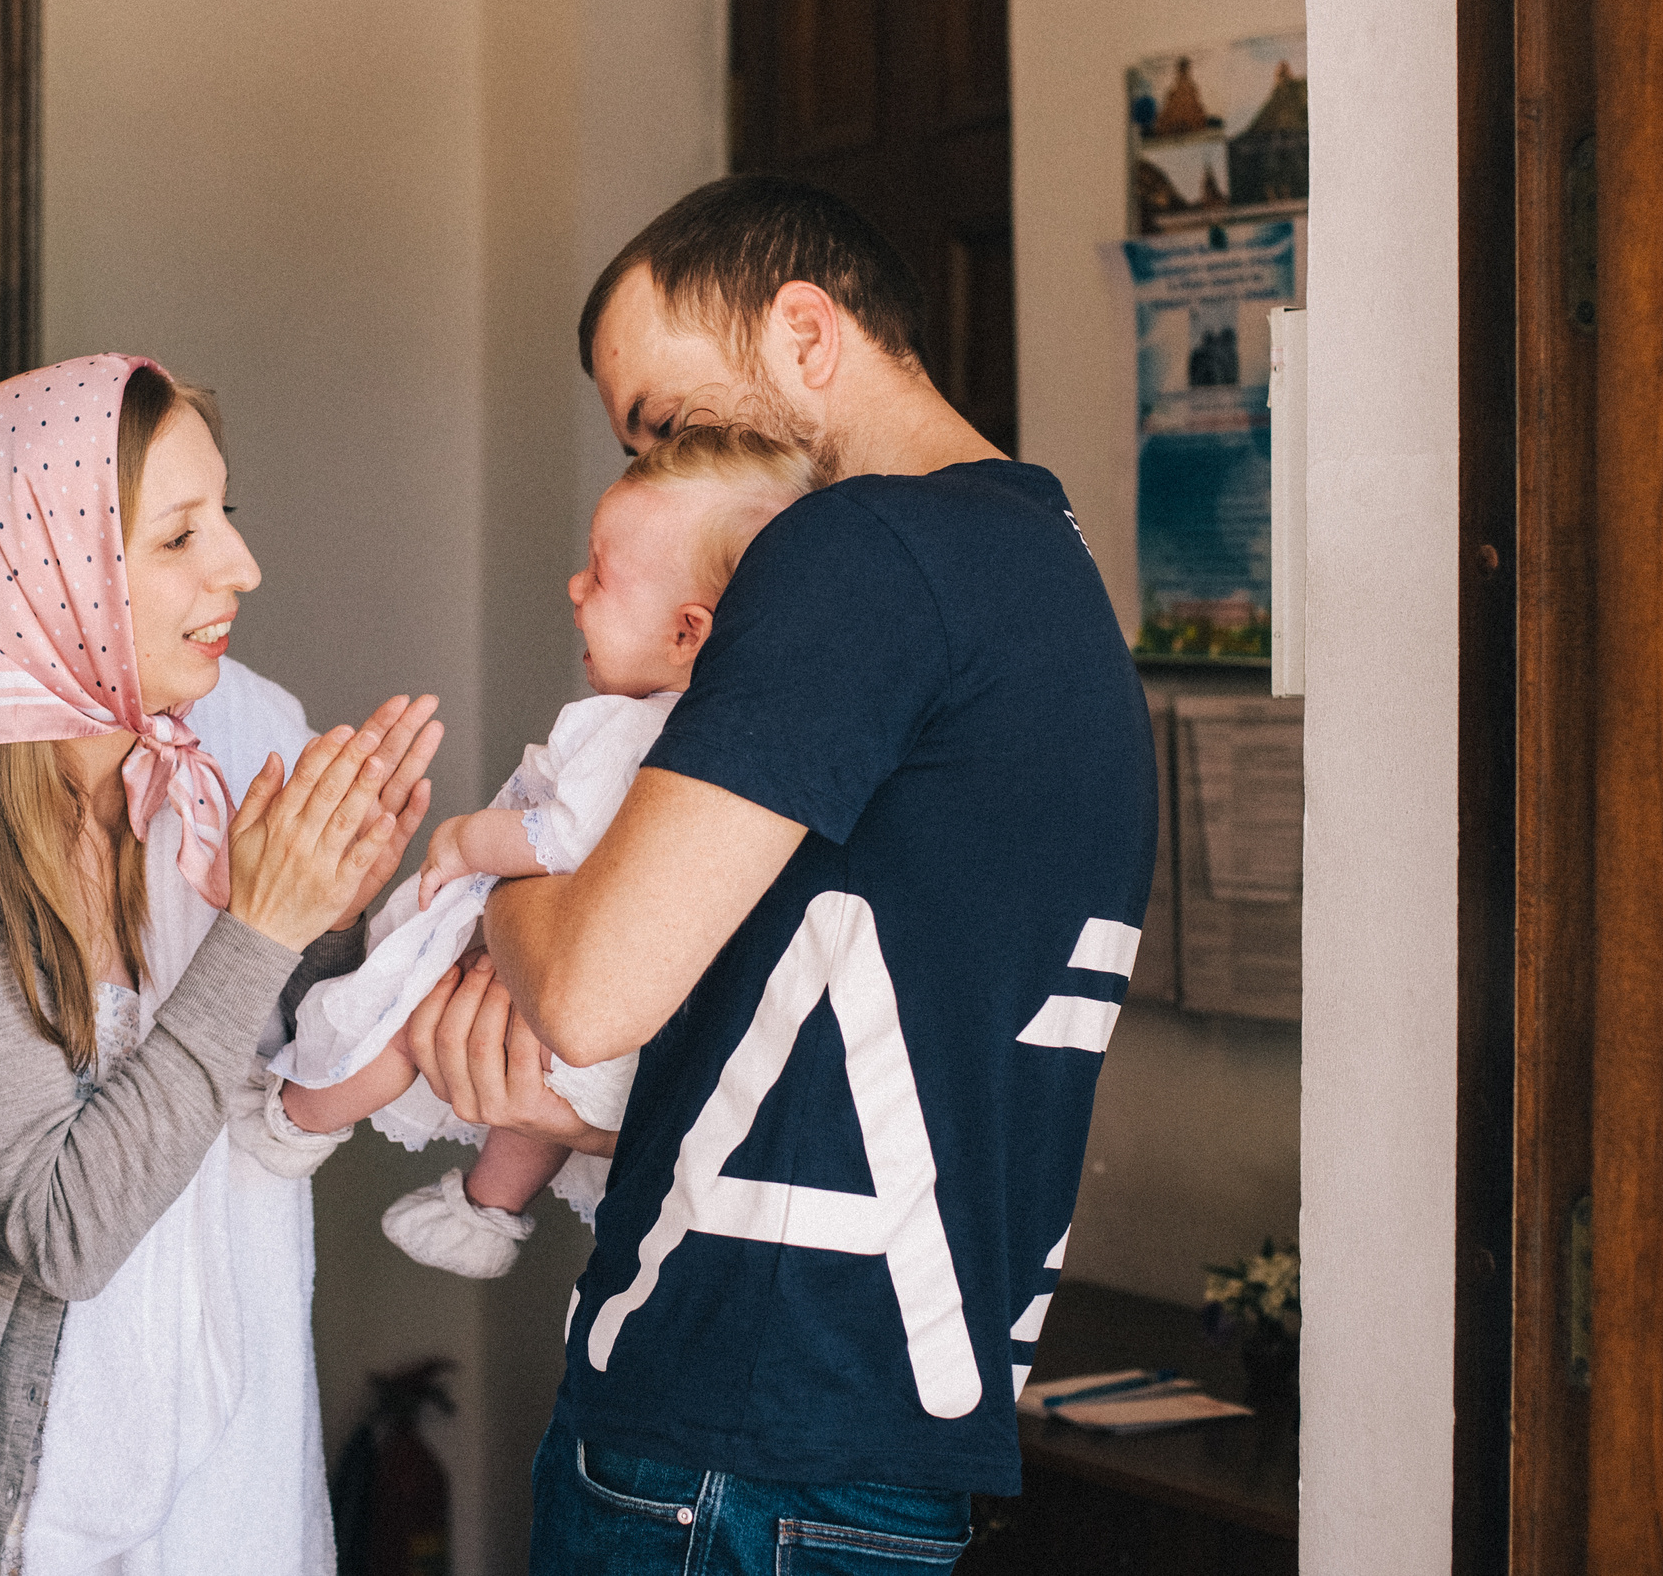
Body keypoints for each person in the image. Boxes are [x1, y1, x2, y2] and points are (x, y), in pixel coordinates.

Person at [409, 176, 1159, 1572]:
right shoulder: (1044, 575)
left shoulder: (859, 546)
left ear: (806, 330)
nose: (668, 475)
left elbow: (587, 984)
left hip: (724, 1453)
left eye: (671, 422)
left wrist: (495, 891)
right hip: (889, 1436)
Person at [0, 353, 449, 1576]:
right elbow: (67, 1226)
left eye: (228, 517)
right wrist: (261, 925)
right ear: (40, 575)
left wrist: (339, 923)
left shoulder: (229, 745)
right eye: (176, 538)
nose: (240, 568)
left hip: (220, 1490)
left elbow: (257, 1073)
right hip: (7, 1523)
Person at [237, 425, 816, 1279]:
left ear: (689, 632)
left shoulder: (635, 728)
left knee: (402, 1019)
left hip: (560, 969)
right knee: (526, 1100)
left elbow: (558, 838)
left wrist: (465, 838)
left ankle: (292, 1119)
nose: (575, 586)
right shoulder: (727, 741)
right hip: (623, 1035)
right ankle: (488, 1207)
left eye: (601, 573)